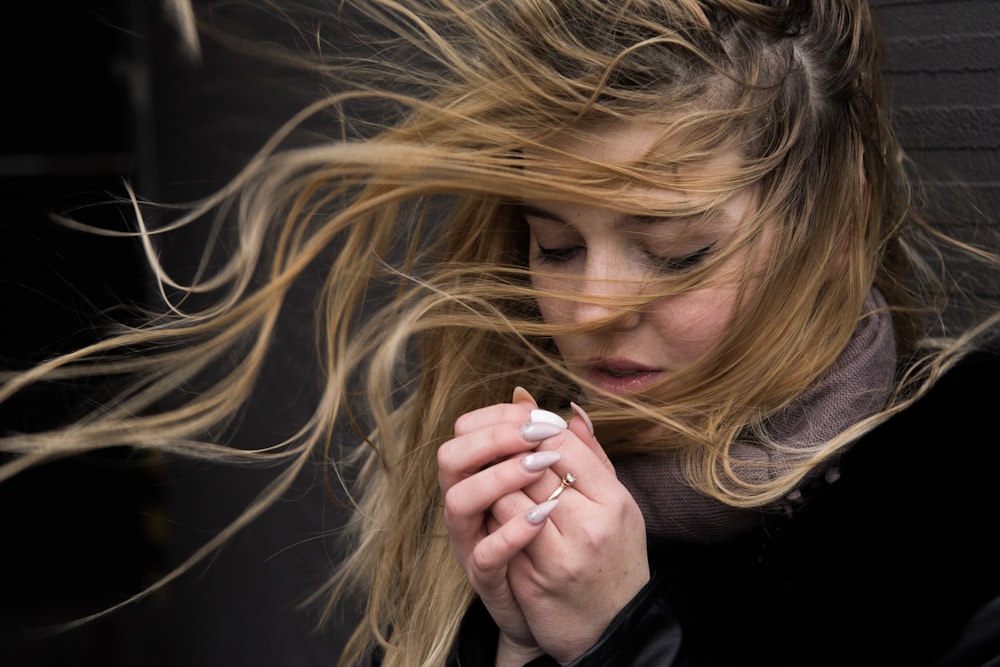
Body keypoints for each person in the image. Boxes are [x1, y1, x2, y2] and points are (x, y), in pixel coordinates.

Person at [2, 0, 999, 666]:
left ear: (842, 224)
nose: (591, 308)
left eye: (677, 249)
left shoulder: (959, 509)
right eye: (554, 244)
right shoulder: (504, 485)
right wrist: (515, 643)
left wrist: (624, 635)